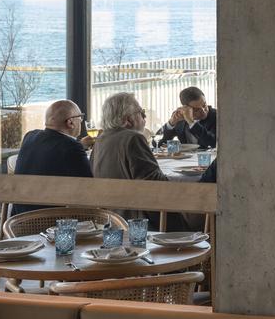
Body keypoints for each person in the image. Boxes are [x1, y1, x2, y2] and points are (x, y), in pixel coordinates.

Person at [91, 92, 167, 228]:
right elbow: (155, 184)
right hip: (138, 221)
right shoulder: (133, 138)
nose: (144, 116)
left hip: (110, 218)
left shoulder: (100, 139)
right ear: (128, 120)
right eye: (141, 112)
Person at [10, 99, 94, 217]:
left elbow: (53, 149)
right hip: (48, 222)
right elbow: (89, 187)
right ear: (70, 122)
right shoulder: (71, 147)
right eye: (80, 118)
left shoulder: (30, 136)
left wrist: (80, 144)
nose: (81, 121)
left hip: (18, 219)